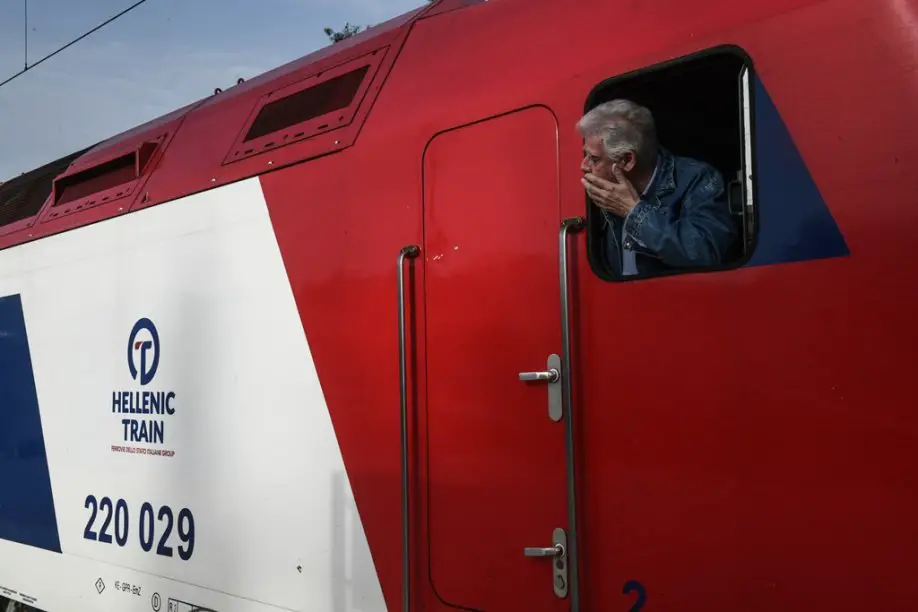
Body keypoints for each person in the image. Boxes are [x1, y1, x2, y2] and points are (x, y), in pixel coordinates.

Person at [577, 99, 738, 277]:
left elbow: (706, 252)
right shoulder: (602, 188)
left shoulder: (697, 179)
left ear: (627, 160)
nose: (583, 166)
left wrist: (634, 212)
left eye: (594, 159)